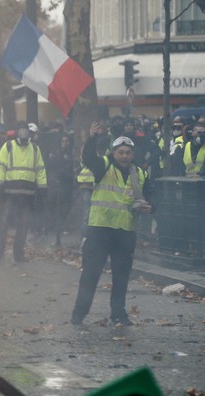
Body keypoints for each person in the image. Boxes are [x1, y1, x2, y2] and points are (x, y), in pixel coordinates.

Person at [71, 123, 155, 326]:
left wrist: (150, 207)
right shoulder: (104, 165)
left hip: (125, 232)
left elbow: (152, 196)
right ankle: (78, 315)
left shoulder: (140, 174)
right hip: (100, 230)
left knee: (121, 278)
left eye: (128, 152)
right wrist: (91, 139)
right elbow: (89, 158)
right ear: (114, 153)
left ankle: (118, 314)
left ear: (132, 154)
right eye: (120, 152)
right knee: (90, 276)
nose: (124, 156)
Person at [0, 121, 47, 263]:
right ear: (17, 133)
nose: (24, 135)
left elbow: (40, 169)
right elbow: (0, 165)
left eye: (25, 132)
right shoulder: (8, 146)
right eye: (21, 132)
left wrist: (43, 186)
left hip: (27, 194)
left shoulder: (34, 149)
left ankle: (18, 255)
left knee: (23, 225)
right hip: (10, 193)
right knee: (3, 224)